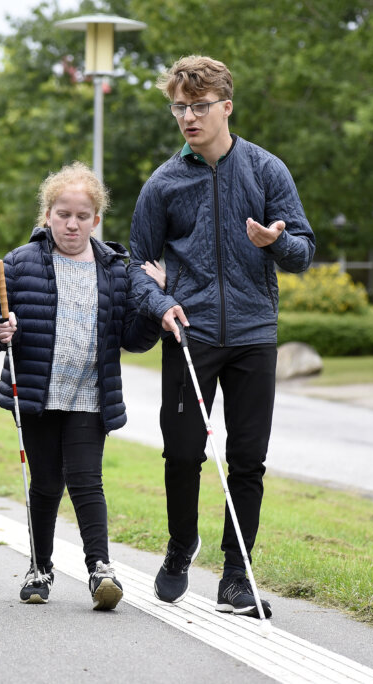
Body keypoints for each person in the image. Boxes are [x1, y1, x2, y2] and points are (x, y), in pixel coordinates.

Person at [127, 55, 315, 617]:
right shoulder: (163, 184)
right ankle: (182, 545)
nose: (188, 116)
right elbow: (137, 263)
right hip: (191, 335)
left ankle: (237, 576)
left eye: (199, 106)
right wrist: (160, 302)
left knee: (248, 460)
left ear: (225, 107)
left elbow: (303, 251)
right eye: (179, 107)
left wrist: (274, 242)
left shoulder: (266, 171)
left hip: (255, 335)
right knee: (183, 455)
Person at [0, 162, 158, 611]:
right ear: (48, 215)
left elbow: (131, 339)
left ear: (96, 219)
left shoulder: (115, 269)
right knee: (45, 483)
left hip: (90, 395)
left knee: (86, 479)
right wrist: (0, 331)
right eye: (63, 214)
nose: (72, 224)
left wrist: (154, 310)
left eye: (82, 215)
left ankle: (101, 570)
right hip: (38, 393)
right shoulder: (19, 264)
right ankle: (40, 567)